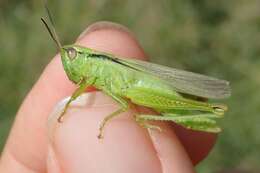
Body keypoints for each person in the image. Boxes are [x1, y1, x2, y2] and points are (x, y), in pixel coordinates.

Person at [0, 22, 216, 173]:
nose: (68, 60)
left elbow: (123, 104)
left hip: (142, 87)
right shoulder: (94, 72)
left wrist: (103, 121)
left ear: (87, 56)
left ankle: (205, 111)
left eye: (72, 54)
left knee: (134, 110)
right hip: (137, 88)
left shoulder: (102, 67)